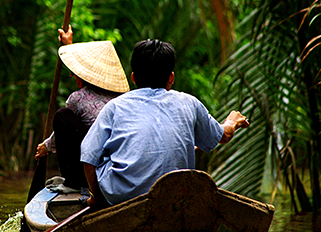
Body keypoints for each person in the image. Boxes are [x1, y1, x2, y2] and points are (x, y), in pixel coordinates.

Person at [80, 39, 249, 206]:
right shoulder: (189, 102)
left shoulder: (115, 106)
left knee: (102, 153)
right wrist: (232, 121)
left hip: (122, 197)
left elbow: (88, 155)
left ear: (133, 78)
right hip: (175, 194)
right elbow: (224, 135)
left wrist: (98, 197)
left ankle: (99, 197)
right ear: (171, 78)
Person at [34, 27, 129, 189]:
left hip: (94, 168)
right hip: (121, 168)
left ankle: (72, 182)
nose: (73, 76)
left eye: (76, 74)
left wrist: (46, 147)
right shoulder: (124, 98)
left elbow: (61, 133)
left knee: (62, 116)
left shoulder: (77, 98)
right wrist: (68, 45)